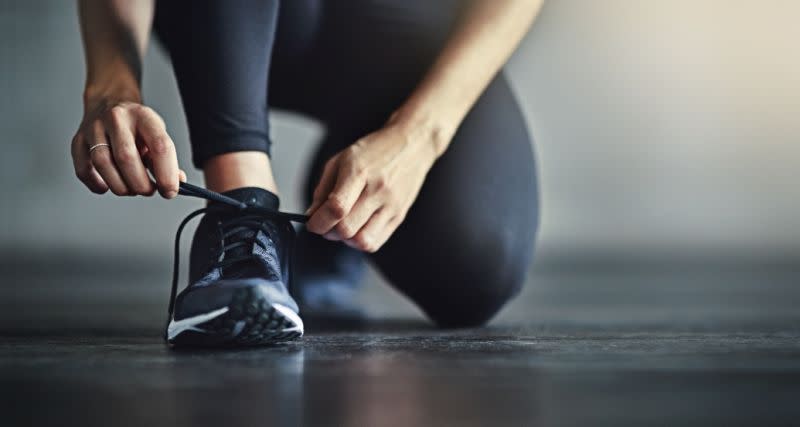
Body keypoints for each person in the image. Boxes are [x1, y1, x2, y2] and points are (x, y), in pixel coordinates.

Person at [72, 0, 542, 347]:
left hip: (412, 28)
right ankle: (241, 219)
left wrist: (419, 135)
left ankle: (333, 198)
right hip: (233, 21)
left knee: (477, 268)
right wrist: (110, 86)